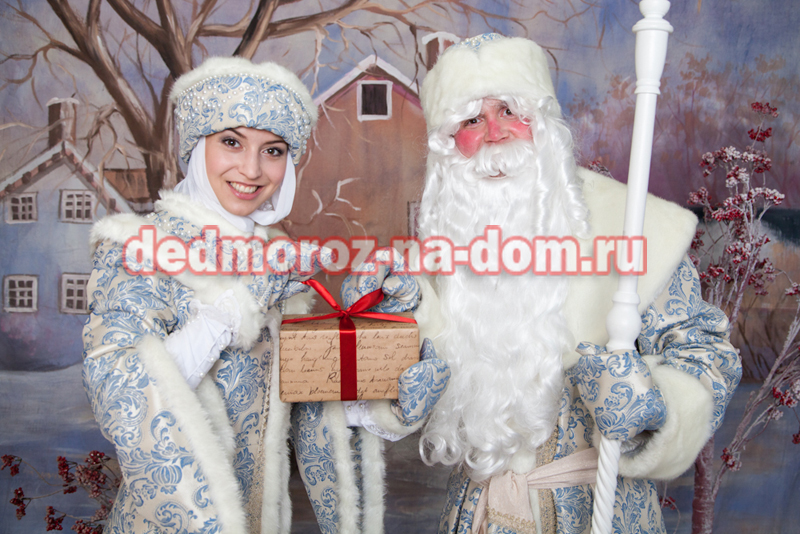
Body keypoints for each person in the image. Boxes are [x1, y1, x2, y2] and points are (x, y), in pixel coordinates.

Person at [82, 56, 448, 534]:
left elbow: (295, 402)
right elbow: (125, 401)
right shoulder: (138, 249)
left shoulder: (274, 256)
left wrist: (385, 407)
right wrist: (237, 306)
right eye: (231, 142)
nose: (252, 169)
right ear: (197, 145)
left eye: (272, 150)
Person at [404, 33, 740, 533]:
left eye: (510, 111)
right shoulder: (437, 251)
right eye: (471, 120)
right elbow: (398, 387)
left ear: (543, 123)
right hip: (476, 514)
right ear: (449, 144)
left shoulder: (636, 228)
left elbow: (708, 355)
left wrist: (653, 403)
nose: (495, 133)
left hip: (605, 512)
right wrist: (397, 389)